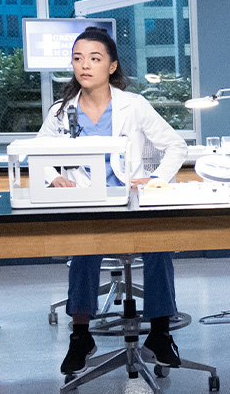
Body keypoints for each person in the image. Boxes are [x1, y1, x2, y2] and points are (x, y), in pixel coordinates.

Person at [38, 27, 189, 375]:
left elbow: (175, 145)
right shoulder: (62, 112)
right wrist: (54, 176)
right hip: (88, 203)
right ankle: (80, 336)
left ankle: (160, 333)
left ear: (111, 66)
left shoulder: (132, 106)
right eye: (78, 59)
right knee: (84, 249)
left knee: (157, 245)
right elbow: (38, 154)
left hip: (130, 202)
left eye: (94, 58)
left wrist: (155, 180)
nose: (84, 66)